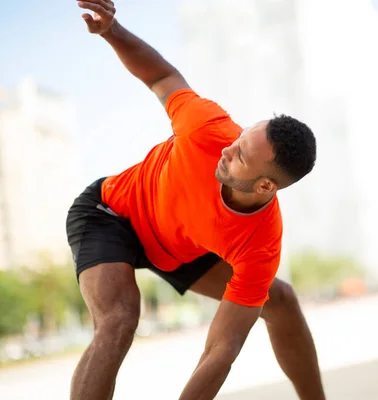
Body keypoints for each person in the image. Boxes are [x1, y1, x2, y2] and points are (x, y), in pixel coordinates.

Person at [66, 1, 325, 399]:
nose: (228, 150)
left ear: (264, 187)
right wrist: (112, 31)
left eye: (240, 156)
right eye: (239, 140)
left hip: (180, 245)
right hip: (112, 212)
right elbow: (162, 76)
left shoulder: (261, 244)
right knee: (119, 318)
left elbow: (221, 350)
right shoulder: (207, 128)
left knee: (280, 298)